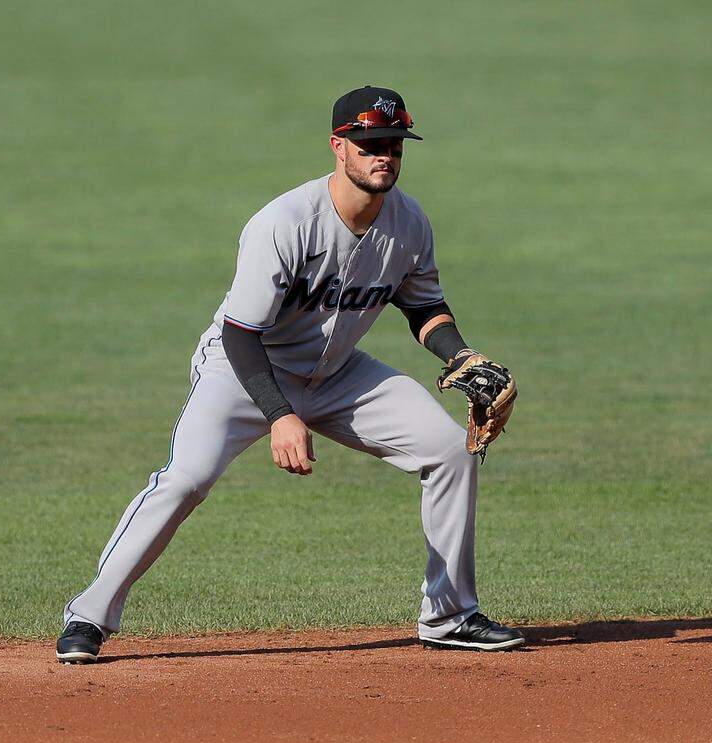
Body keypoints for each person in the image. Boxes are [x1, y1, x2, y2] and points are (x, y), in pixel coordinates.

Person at [56, 85, 524, 663]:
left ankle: (450, 615)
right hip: (244, 369)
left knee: (450, 450)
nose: (385, 155)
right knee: (186, 480)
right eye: (371, 142)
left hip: (338, 375)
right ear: (339, 147)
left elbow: (423, 305)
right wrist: (281, 415)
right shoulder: (285, 222)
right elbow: (240, 332)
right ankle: (89, 615)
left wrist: (461, 356)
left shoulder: (409, 222)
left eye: (395, 144)